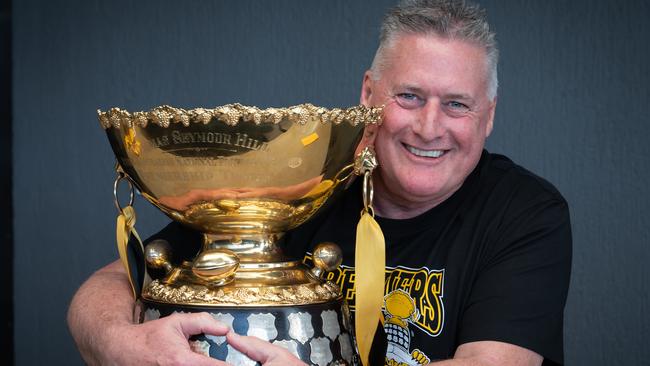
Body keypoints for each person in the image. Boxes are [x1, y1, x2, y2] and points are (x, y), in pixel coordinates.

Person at [67, 0, 572, 365]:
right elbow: (108, 285)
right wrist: (122, 345)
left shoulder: (525, 212)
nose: (429, 127)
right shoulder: (303, 184)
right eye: (410, 97)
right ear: (368, 94)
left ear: (489, 116)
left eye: (457, 104)